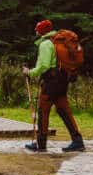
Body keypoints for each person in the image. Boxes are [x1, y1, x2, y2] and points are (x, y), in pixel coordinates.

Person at [22, 19, 85, 152]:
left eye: (37, 30)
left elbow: (44, 65)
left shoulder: (46, 44)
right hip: (62, 80)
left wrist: (29, 72)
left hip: (51, 82)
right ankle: (78, 141)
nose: (36, 32)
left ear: (42, 32)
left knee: (43, 111)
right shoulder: (57, 41)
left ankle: (40, 144)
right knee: (64, 110)